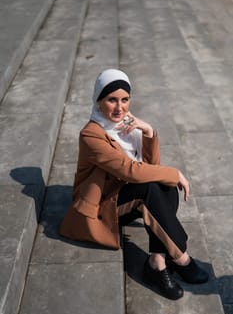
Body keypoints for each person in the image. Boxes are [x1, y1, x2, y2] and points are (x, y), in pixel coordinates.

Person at [59, 68, 209, 300]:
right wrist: (175, 172)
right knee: (151, 185)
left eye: (125, 100)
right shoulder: (91, 135)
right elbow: (130, 171)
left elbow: (150, 166)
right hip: (99, 208)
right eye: (111, 100)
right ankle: (181, 257)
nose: (119, 108)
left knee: (164, 185)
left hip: (120, 195)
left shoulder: (126, 126)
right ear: (99, 101)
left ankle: (157, 261)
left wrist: (148, 131)